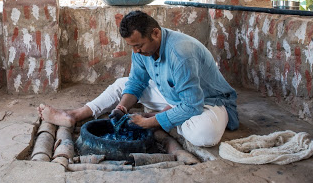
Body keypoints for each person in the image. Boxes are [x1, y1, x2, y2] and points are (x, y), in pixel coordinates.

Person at [39, 10, 239, 147]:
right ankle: (75, 114)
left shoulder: (181, 53)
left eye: (139, 46)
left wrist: (150, 122)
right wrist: (121, 108)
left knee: (205, 135)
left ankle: (163, 115)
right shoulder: (141, 49)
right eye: (132, 46)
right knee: (122, 84)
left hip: (207, 102)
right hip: (173, 95)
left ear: (155, 33)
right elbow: (136, 82)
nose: (136, 51)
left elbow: (193, 106)